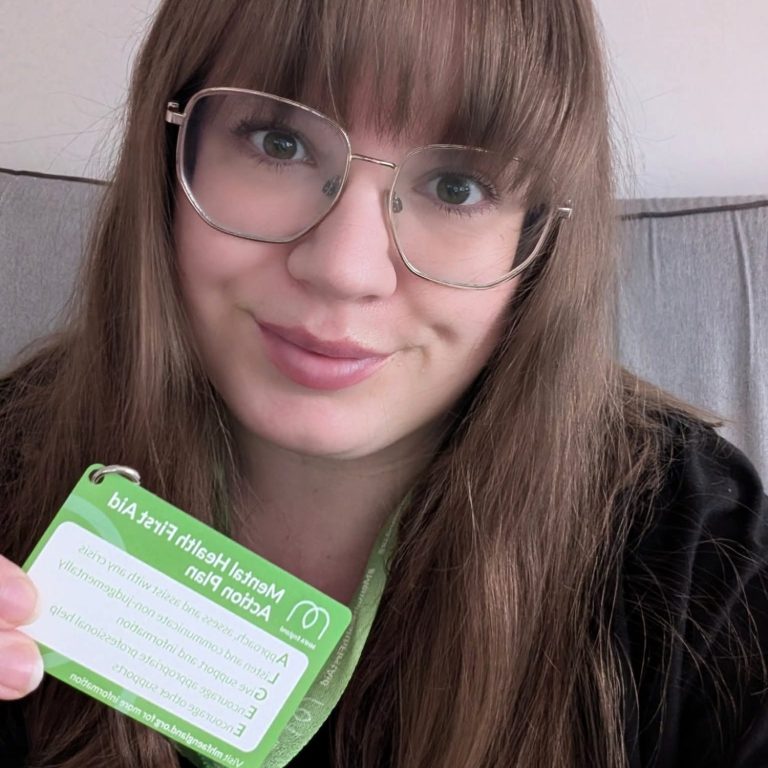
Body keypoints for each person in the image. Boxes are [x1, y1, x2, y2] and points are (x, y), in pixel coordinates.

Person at [1, 0, 767, 766]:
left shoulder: (694, 550)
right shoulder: (13, 459)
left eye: (458, 188)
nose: (344, 270)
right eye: (280, 142)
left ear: (540, 236)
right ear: (170, 157)